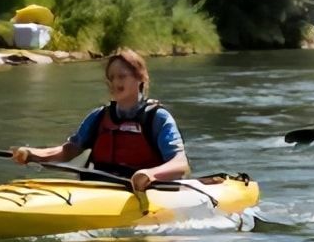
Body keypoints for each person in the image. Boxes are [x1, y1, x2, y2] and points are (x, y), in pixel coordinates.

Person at [11, 49, 190, 192]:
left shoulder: (157, 118)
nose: (115, 82)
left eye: (121, 76)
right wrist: (33, 154)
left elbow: (180, 164)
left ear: (139, 78)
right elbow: (69, 151)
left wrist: (150, 175)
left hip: (142, 191)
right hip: (97, 189)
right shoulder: (98, 117)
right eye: (111, 78)